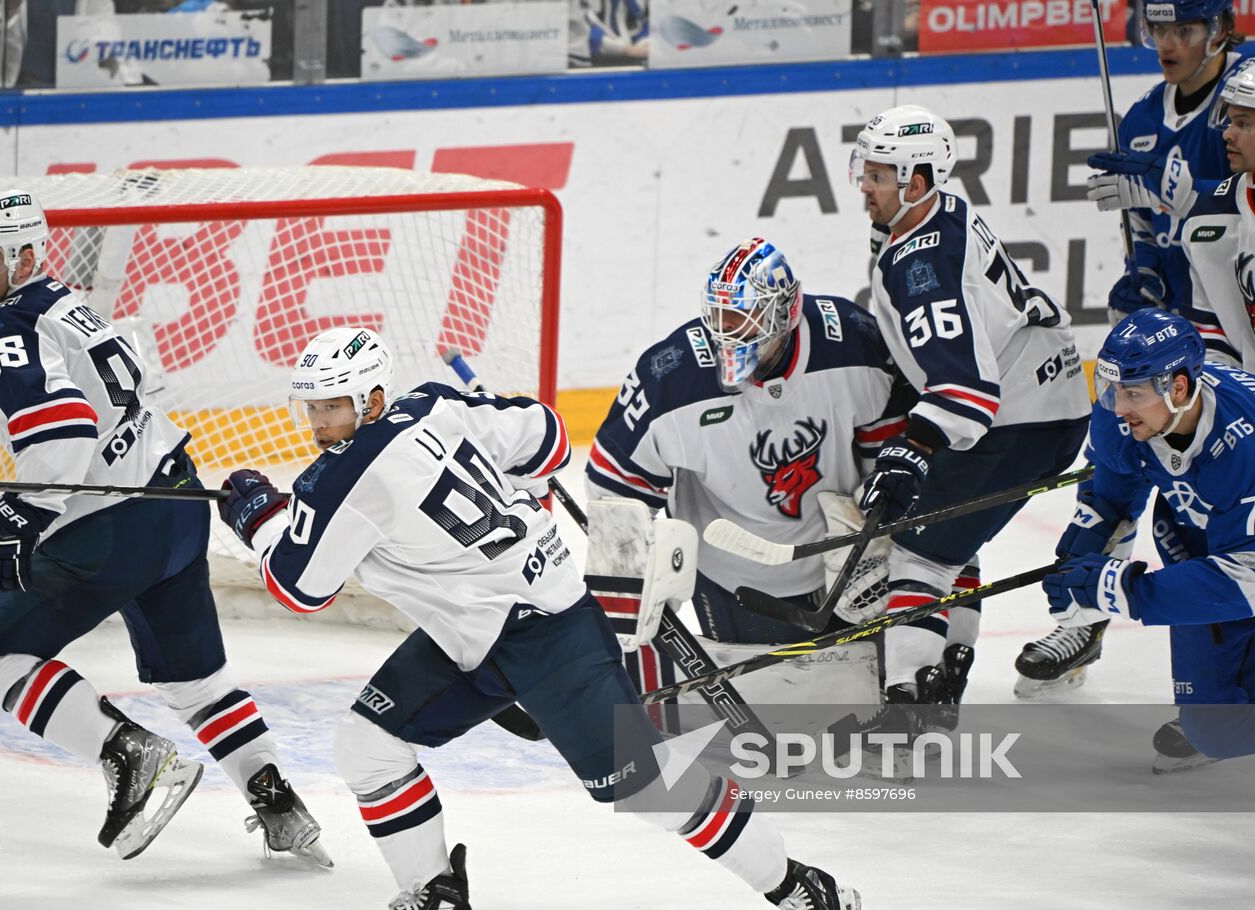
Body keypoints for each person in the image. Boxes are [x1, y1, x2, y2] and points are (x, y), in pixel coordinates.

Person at [218, 326, 860, 909]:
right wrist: (510, 474)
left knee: (647, 788)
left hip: (546, 632)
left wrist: (262, 519)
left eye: (331, 407)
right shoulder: (435, 405)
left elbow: (297, 588)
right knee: (366, 746)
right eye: (312, 407)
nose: (317, 423)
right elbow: (550, 439)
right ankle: (436, 892)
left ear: (373, 400)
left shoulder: (336, 482)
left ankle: (797, 885)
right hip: (480, 628)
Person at [0, 188, 330, 865]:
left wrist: (22, 514)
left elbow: (63, 431)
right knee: (195, 683)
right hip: (176, 505)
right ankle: (279, 805)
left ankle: (129, 753)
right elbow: (58, 407)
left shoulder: (3, 328)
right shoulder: (62, 304)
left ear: (24, 258)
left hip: (113, 528)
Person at [585, 236, 914, 703]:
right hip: (731, 575)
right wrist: (640, 574)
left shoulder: (854, 344)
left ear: (785, 312)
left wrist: (878, 533)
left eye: (742, 317)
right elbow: (613, 485)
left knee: (864, 708)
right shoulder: (671, 378)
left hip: (843, 566)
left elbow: (893, 458)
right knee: (773, 711)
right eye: (720, 315)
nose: (727, 331)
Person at [850, 104, 1092, 712]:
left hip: (1020, 418)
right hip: (1048, 398)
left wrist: (914, 448)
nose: (865, 186)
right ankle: (949, 666)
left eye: (878, 176)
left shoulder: (921, 263)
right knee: (949, 535)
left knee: (916, 552)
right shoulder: (942, 212)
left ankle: (909, 703)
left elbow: (966, 391)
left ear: (916, 182)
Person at [1042, 309, 1255, 771]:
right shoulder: (1124, 415)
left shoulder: (1248, 447)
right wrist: (1085, 550)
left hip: (1250, 559)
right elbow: (1112, 494)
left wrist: (1124, 590)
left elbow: (1249, 580)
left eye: (1133, 393)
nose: (1118, 406)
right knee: (1216, 730)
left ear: (1178, 388)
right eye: (1111, 388)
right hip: (1205, 541)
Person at [1087, 0, 1249, 334]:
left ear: (1219, 30)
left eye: (1184, 31)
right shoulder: (1140, 120)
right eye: (1159, 30)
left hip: (1249, 309)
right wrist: (1147, 275)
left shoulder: (1252, 96)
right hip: (1190, 322)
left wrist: (1187, 192)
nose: (1167, 44)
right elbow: (1141, 223)